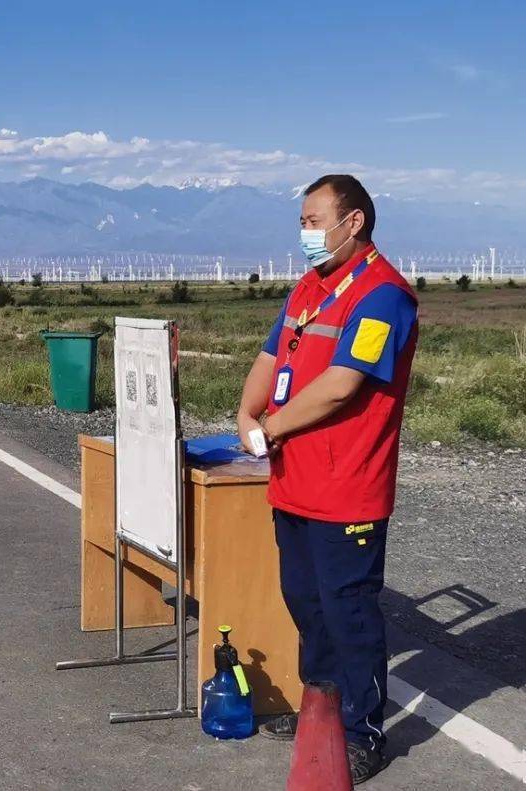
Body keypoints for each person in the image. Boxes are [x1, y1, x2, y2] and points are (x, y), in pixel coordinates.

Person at [236, 174, 418, 785]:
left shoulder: (382, 295)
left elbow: (344, 384)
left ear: (354, 222)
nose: (306, 233)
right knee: (305, 600)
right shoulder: (310, 289)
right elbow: (271, 356)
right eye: (303, 222)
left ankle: (364, 728)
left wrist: (274, 426)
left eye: (315, 221)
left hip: (347, 487)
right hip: (294, 480)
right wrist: (246, 413)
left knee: (349, 610)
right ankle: (324, 705)